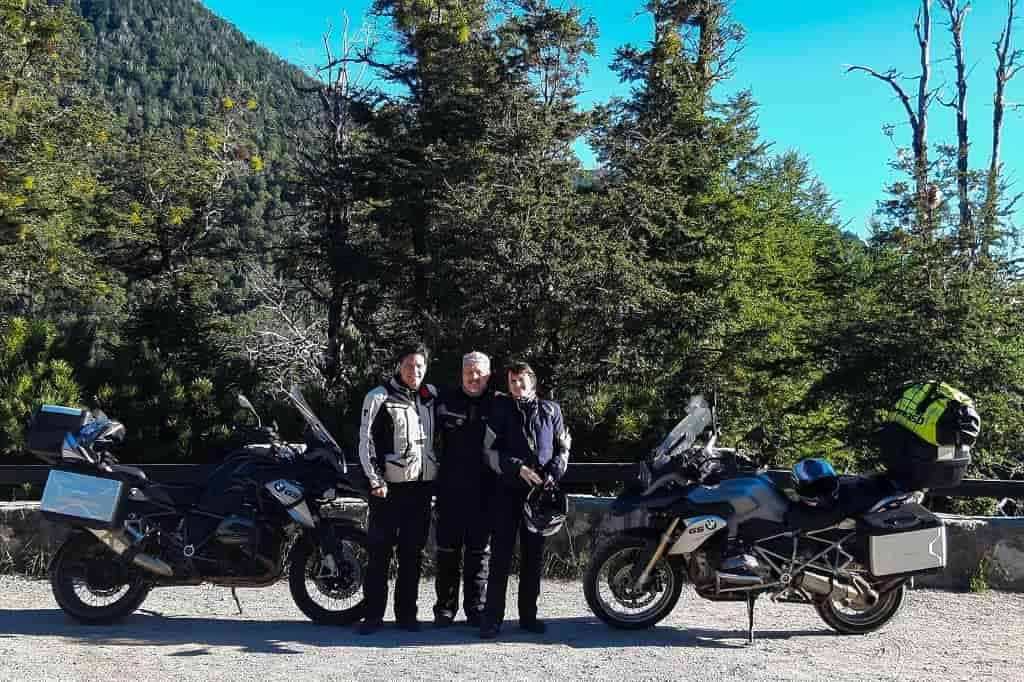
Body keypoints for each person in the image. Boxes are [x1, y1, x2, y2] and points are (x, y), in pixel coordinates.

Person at [479, 360, 570, 639]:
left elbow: (563, 447)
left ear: (532, 380)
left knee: (533, 556)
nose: (516, 386)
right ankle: (492, 619)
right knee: (501, 557)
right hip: (508, 491)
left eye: (521, 380)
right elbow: (489, 451)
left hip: (540, 495)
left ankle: (528, 616)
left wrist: (553, 473)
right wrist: (518, 467)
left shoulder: (551, 409)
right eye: (512, 382)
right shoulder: (501, 408)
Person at [356, 344, 437, 634]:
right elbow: (366, 443)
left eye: (420, 366)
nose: (415, 371)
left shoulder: (430, 397)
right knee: (379, 554)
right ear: (398, 366)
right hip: (387, 490)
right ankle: (373, 616)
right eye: (409, 366)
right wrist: (375, 480)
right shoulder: (378, 397)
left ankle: (407, 616)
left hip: (421, 489)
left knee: (412, 555)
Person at [432, 351, 497, 628]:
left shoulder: (498, 404)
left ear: (488, 375)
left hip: (484, 493)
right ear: (461, 373)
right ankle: (445, 610)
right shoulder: (443, 401)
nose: (474, 377)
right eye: (469, 372)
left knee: (478, 554)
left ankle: (476, 609)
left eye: (479, 373)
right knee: (447, 552)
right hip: (449, 491)